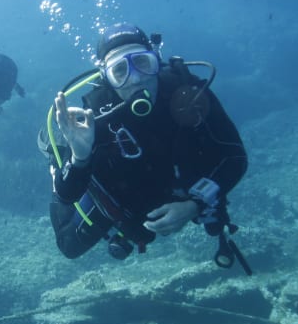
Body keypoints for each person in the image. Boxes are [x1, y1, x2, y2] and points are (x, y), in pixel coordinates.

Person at [40, 22, 249, 270]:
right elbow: (67, 195)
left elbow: (235, 156)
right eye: (120, 71)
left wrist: (195, 205)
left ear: (156, 61)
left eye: (142, 63)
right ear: (106, 77)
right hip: (122, 188)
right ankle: (56, 154)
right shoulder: (96, 118)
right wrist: (80, 156)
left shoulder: (189, 96)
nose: (136, 79)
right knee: (69, 246)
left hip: (178, 184)